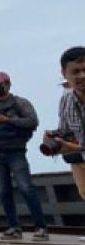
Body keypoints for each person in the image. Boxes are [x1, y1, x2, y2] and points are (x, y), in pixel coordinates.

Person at [0, 71, 47, 241]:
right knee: (4, 191)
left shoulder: (20, 103)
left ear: (7, 84)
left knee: (26, 188)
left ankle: (40, 227)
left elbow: (32, 122)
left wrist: (6, 120)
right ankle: (14, 226)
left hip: (16, 152)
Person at [44, 46, 85, 201]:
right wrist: (54, 136)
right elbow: (66, 131)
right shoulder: (67, 100)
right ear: (64, 74)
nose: (82, 76)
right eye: (76, 72)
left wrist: (72, 147)